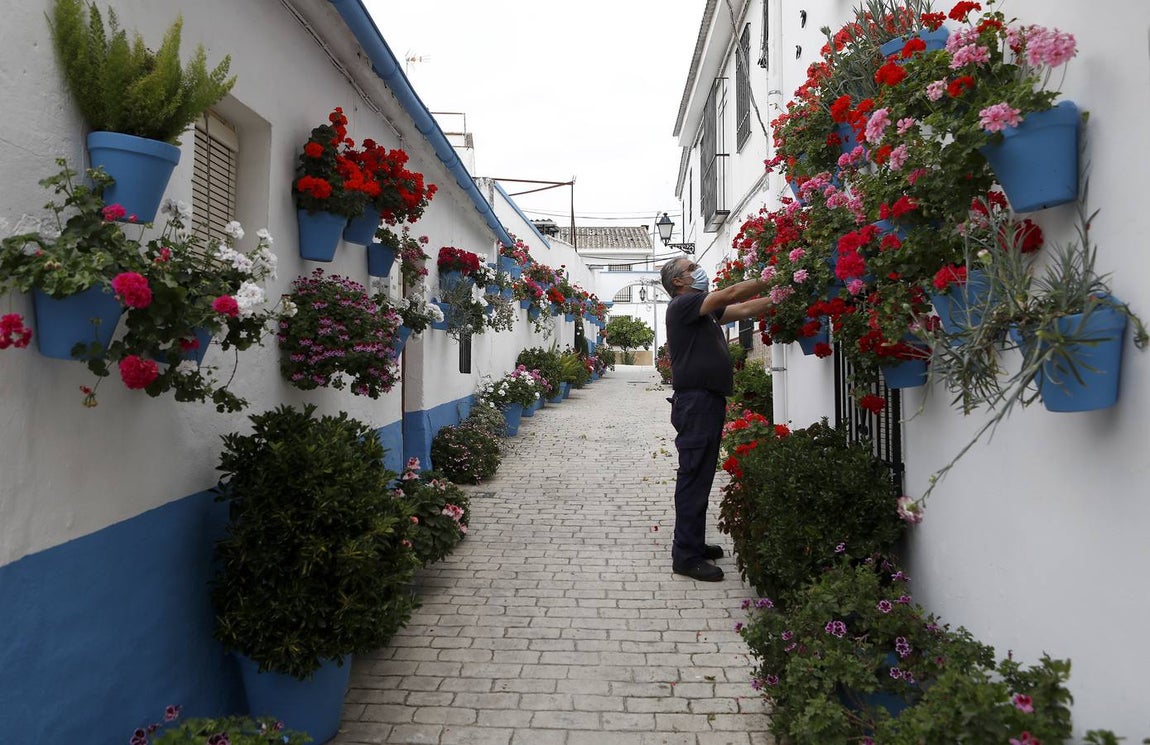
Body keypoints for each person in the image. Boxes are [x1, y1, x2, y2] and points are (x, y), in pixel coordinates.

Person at [660, 257, 772, 581]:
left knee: (701, 476)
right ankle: (685, 556)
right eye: (691, 267)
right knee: (694, 477)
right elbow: (733, 293)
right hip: (696, 403)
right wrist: (774, 276)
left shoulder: (704, 312)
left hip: (705, 402)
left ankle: (692, 543)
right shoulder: (683, 305)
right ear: (679, 282)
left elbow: (747, 310)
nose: (699, 270)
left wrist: (781, 296)